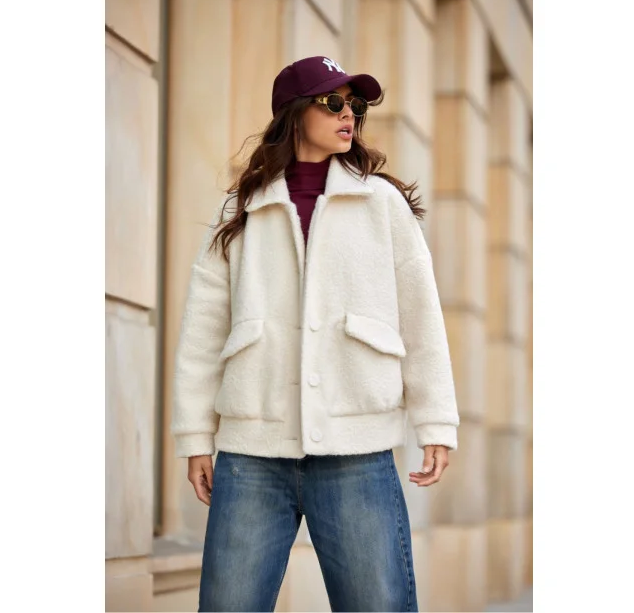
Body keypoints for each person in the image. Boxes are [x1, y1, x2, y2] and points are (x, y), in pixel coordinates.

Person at [171, 55, 460, 612]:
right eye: (333, 103)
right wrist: (194, 436)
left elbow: (421, 316)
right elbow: (203, 329)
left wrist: (436, 421)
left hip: (357, 451)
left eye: (356, 106)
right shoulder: (242, 206)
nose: (348, 114)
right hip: (252, 452)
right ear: (295, 113)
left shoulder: (382, 204)